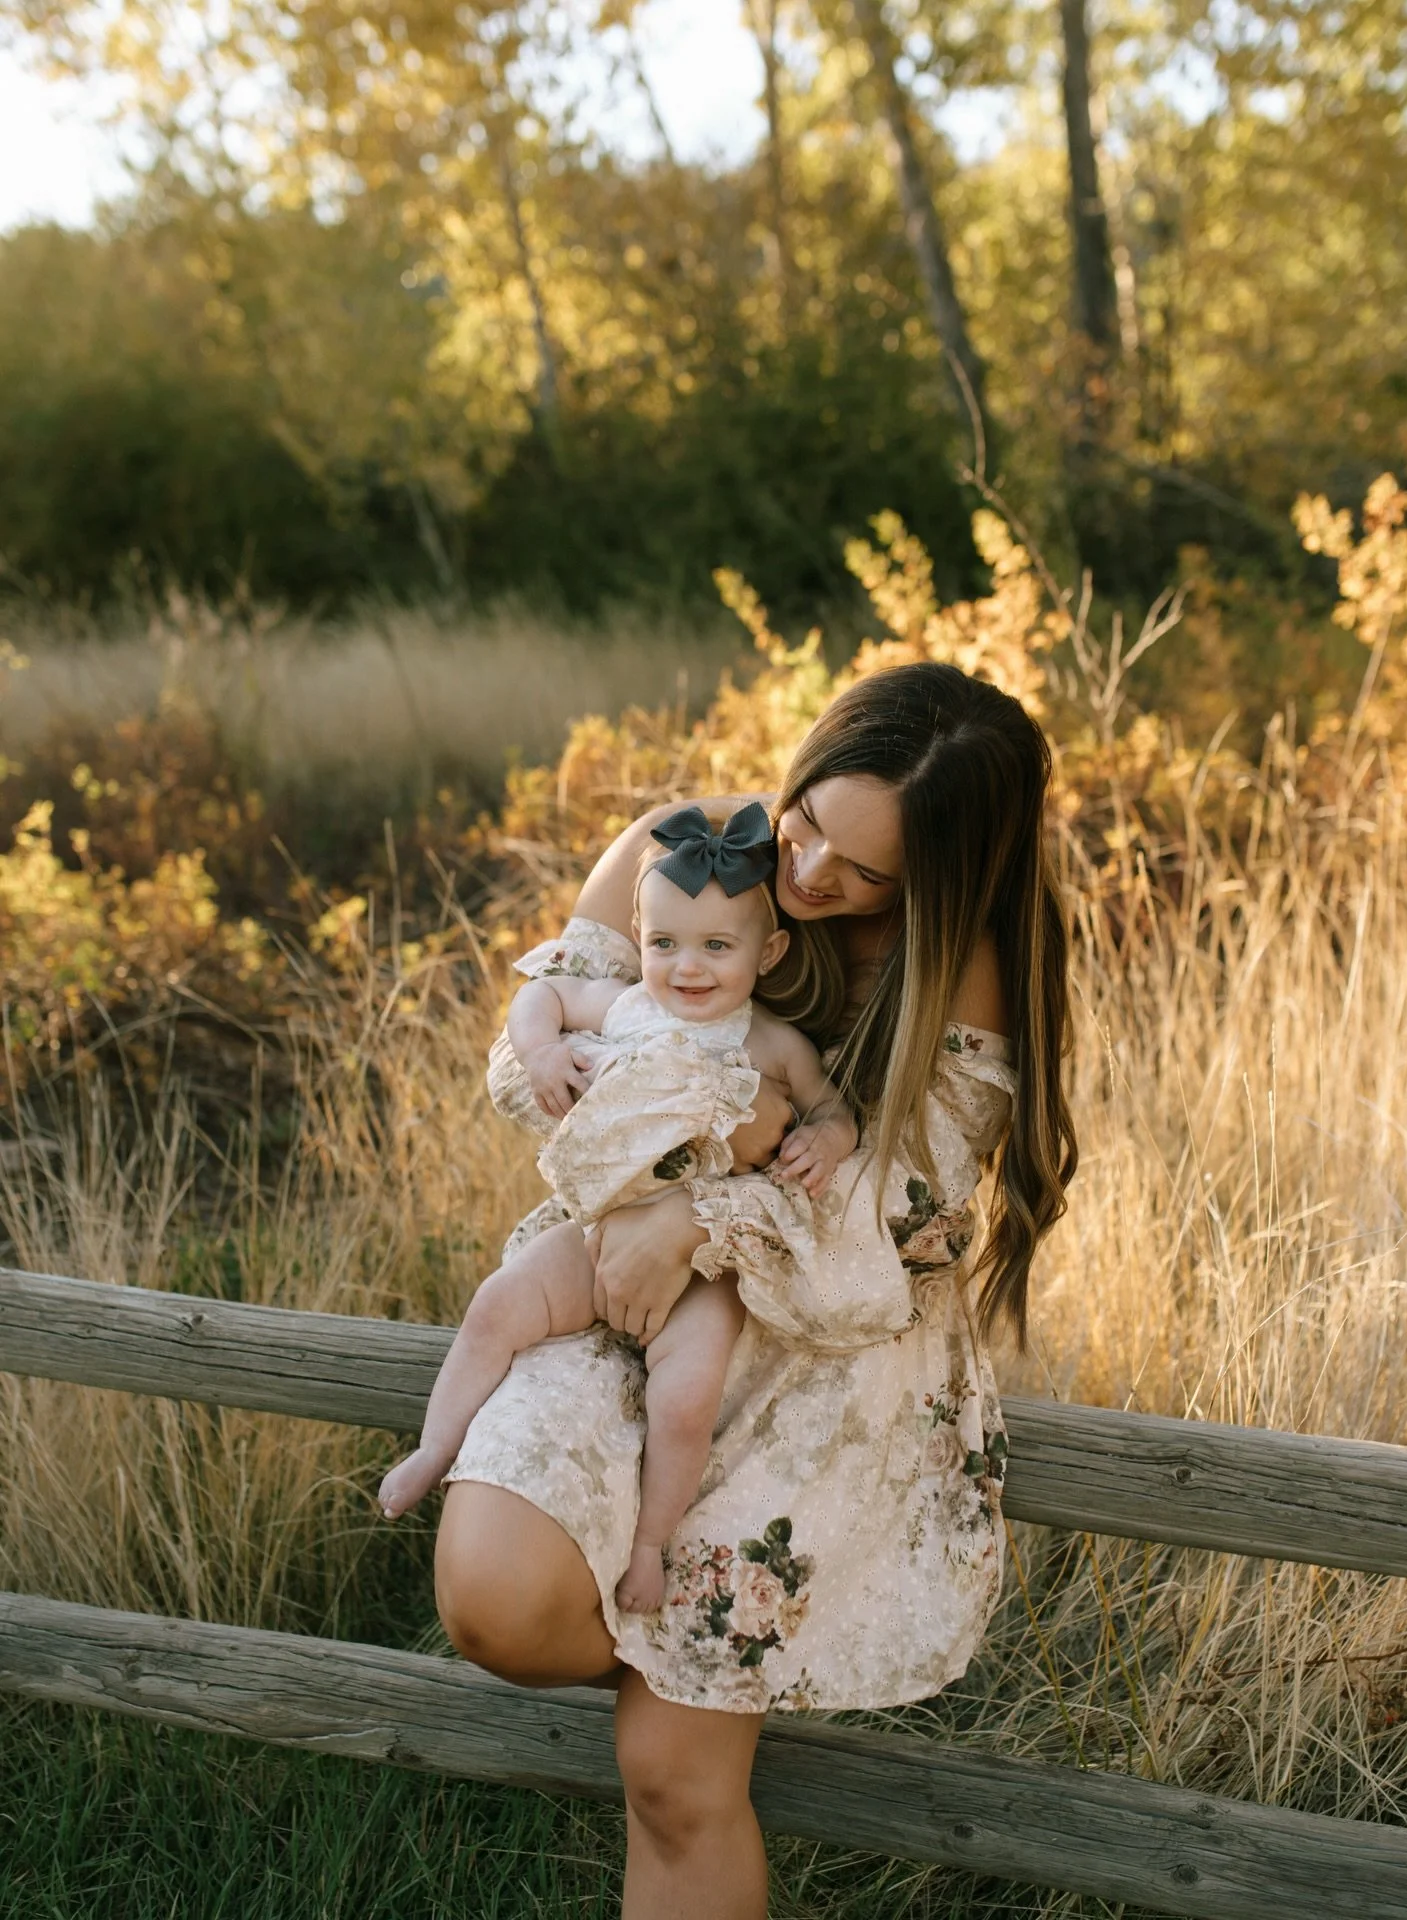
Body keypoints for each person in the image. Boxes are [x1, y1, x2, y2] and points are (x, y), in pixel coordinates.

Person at [434, 662, 1077, 1920]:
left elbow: (910, 1223)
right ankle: (680, 1649)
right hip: (624, 1279)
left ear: (938, 884)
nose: (810, 874)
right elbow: (543, 1076)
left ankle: (692, 1686)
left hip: (829, 1351)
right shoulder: (678, 860)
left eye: (863, 874)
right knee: (496, 1601)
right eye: (807, 822)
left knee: (673, 1773)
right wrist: (694, 1149)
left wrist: (703, 1211)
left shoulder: (963, 968)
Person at [377, 804, 857, 1615]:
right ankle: (435, 1447)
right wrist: (539, 1050)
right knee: (499, 1306)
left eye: (717, 946)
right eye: (665, 944)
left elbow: (832, 1111)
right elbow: (543, 995)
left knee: (687, 1394)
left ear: (767, 952)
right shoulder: (629, 1006)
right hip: (597, 1233)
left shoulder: (770, 1044)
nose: (688, 968)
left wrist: (831, 1143)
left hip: (704, 1262)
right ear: (639, 938)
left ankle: (647, 1549)